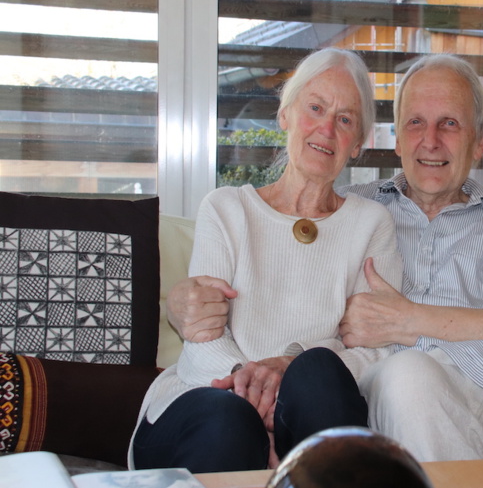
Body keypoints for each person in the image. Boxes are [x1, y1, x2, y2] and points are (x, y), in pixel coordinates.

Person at [166, 54, 483, 466]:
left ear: (479, 143)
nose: (431, 140)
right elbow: (282, 280)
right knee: (409, 374)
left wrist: (413, 320)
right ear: (395, 141)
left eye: (450, 124)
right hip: (408, 386)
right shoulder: (352, 211)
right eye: (416, 122)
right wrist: (177, 300)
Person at [129, 48, 403, 473]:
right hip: (204, 402)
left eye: (345, 119)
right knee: (231, 418)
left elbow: (377, 351)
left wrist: (290, 370)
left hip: (311, 414)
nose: (326, 129)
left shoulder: (371, 224)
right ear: (285, 115)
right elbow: (202, 338)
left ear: (358, 144)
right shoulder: (225, 209)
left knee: (318, 373)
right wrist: (253, 384)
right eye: (315, 107)